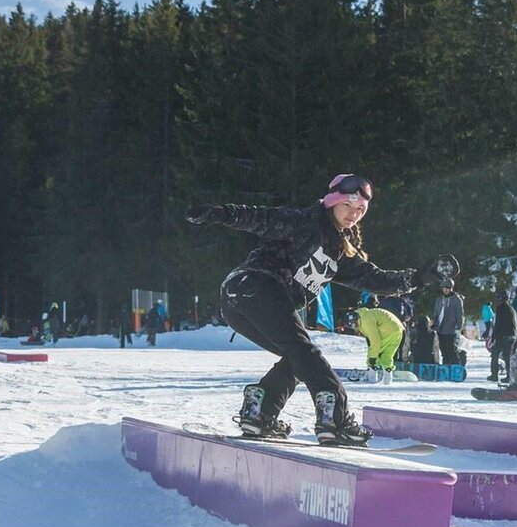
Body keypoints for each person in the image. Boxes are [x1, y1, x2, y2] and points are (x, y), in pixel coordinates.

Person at [185, 173, 454, 446]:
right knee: (306, 353)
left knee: (299, 358)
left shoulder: (342, 255)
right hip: (256, 285)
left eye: (359, 210)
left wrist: (419, 278)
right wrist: (220, 213)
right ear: (332, 203)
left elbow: (377, 279)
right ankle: (334, 420)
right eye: (347, 206)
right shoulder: (306, 222)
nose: (352, 214)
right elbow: (260, 218)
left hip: (237, 301)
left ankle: (260, 411)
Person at [344, 307, 405, 385]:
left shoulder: (366, 321)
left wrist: (372, 358)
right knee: (387, 355)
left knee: (374, 353)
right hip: (398, 331)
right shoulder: (366, 314)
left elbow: (375, 341)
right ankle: (387, 380)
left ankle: (371, 378)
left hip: (386, 330)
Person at [433, 278, 465, 365]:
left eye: (448, 287)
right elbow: (436, 314)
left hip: (451, 330)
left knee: (451, 351)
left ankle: (455, 368)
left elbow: (460, 315)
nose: (446, 289)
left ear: (451, 288)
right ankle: (446, 368)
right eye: (444, 287)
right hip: (440, 330)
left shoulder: (456, 299)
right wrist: (434, 324)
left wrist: (458, 328)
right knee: (444, 351)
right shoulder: (439, 299)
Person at [489, 290, 517, 382]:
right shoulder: (511, 308)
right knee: (508, 356)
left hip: (503, 335)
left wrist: (493, 337)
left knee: (495, 354)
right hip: (512, 335)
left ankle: (494, 375)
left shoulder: (500, 308)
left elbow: (498, 323)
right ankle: (510, 376)